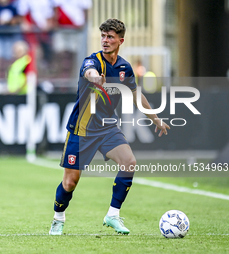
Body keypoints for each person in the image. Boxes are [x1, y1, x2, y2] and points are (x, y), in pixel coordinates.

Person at [49, 19, 170, 235]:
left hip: (107, 128)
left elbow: (136, 95)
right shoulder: (92, 62)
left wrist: (156, 119)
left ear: (120, 40)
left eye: (110, 37)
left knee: (129, 162)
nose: (105, 40)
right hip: (82, 129)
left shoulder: (124, 67)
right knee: (70, 183)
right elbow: (89, 73)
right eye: (103, 36)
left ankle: (113, 215)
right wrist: (96, 79)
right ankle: (58, 218)